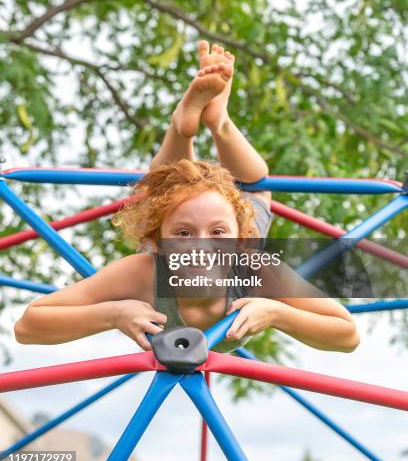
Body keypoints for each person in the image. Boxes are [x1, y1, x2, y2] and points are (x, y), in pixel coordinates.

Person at [14, 41, 360, 355]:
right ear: (157, 244)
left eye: (218, 235)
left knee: (232, 188)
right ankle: (198, 125)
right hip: (206, 218)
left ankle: (210, 122)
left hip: (237, 219)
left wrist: (278, 313)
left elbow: (347, 334)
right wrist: (112, 313)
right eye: (182, 235)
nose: (201, 246)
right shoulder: (142, 272)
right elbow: (28, 326)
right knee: (181, 187)